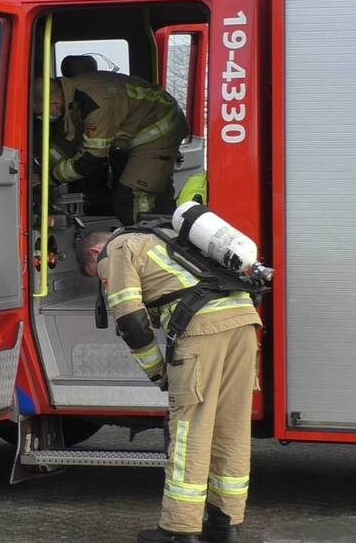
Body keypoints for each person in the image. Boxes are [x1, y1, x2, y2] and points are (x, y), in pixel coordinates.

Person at [76, 229, 261, 543]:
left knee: (191, 429)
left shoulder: (118, 248)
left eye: (98, 276)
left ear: (95, 253)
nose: (104, 281)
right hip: (244, 321)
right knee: (232, 426)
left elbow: (131, 319)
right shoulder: (164, 235)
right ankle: (226, 524)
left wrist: (157, 372)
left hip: (202, 329)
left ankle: (179, 529)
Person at [34, 71, 187, 225]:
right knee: (148, 190)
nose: (40, 118)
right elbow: (69, 141)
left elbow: (91, 159)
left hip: (161, 129)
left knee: (131, 198)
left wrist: (50, 177)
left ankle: (143, 242)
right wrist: (40, 167)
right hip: (143, 127)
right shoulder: (73, 95)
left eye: (39, 113)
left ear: (54, 104)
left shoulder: (94, 104)